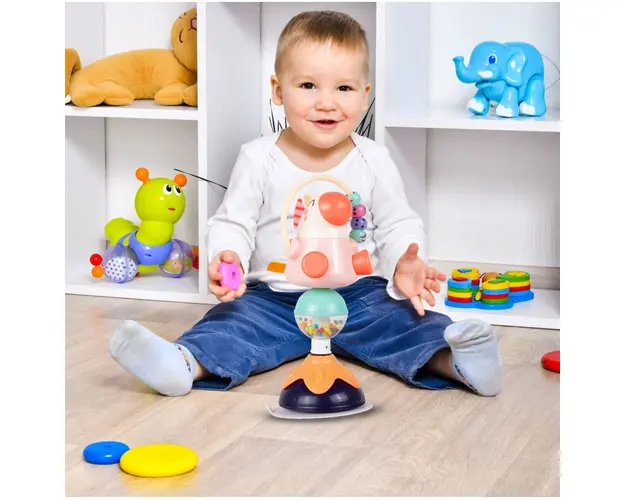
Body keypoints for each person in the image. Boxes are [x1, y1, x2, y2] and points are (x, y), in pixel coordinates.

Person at [109, 10, 503, 398]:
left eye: (344, 88)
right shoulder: (257, 157)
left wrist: (405, 260)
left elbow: (398, 222)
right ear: (278, 90)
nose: (326, 103)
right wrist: (228, 256)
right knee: (231, 324)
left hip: (360, 296)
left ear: (364, 96)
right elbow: (233, 222)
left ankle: (460, 363)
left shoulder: (373, 159)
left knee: (409, 323)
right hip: (273, 300)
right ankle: (181, 363)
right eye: (309, 85)